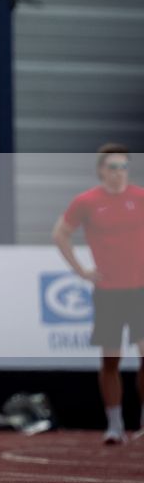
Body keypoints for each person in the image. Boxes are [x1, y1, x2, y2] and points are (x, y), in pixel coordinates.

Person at [52, 143, 144, 444]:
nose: (118, 174)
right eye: (113, 167)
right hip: (108, 291)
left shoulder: (140, 198)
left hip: (140, 289)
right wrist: (81, 270)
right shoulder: (87, 202)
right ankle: (115, 424)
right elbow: (60, 233)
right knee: (110, 360)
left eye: (123, 167)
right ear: (101, 170)